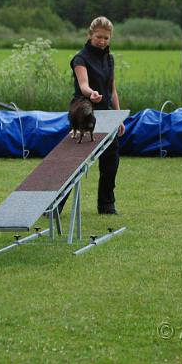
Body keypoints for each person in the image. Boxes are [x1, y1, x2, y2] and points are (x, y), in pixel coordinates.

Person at [70, 16, 125, 215]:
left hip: (106, 112)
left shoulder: (109, 59)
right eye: (99, 37)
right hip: (83, 111)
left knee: (111, 161)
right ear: (90, 35)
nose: (102, 41)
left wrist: (117, 116)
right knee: (72, 164)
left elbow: (112, 90)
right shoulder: (80, 58)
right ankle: (54, 205)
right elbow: (83, 85)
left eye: (106, 38)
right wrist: (91, 93)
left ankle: (106, 205)